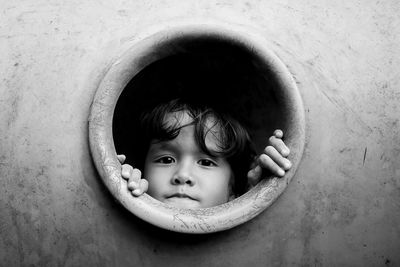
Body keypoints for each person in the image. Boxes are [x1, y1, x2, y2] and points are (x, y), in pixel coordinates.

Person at [118, 98, 291, 209]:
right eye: (166, 159)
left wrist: (257, 199)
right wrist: (119, 190)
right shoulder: (129, 191)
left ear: (233, 189)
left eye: (206, 163)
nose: (183, 175)